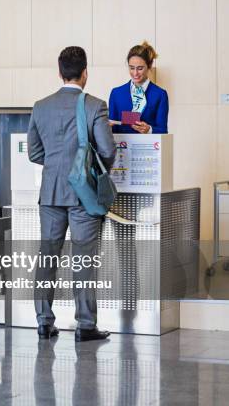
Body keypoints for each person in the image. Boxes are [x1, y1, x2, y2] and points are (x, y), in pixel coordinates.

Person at [27, 46, 116, 342]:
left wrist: (57, 165)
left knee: (47, 258)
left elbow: (34, 152)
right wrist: (87, 170)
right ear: (85, 72)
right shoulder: (94, 106)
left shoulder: (40, 106)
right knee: (83, 261)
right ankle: (85, 325)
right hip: (84, 197)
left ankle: (43, 322)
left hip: (50, 194)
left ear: (60, 72)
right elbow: (107, 150)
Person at [109, 41, 169, 134]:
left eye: (140, 68)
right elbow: (112, 129)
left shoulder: (160, 94)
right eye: (132, 68)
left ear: (149, 66)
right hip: (122, 147)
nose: (135, 73)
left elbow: (163, 130)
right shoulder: (116, 93)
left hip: (148, 147)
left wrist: (149, 129)